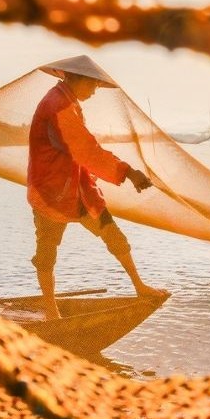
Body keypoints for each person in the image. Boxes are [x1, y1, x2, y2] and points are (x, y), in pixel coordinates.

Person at [27, 55, 167, 320]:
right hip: (51, 191)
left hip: (77, 188)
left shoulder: (68, 102)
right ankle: (51, 311)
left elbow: (82, 153)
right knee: (46, 251)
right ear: (74, 78)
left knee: (112, 234)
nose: (94, 90)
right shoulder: (57, 105)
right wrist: (128, 172)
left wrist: (125, 172)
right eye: (92, 85)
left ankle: (139, 286)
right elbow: (86, 151)